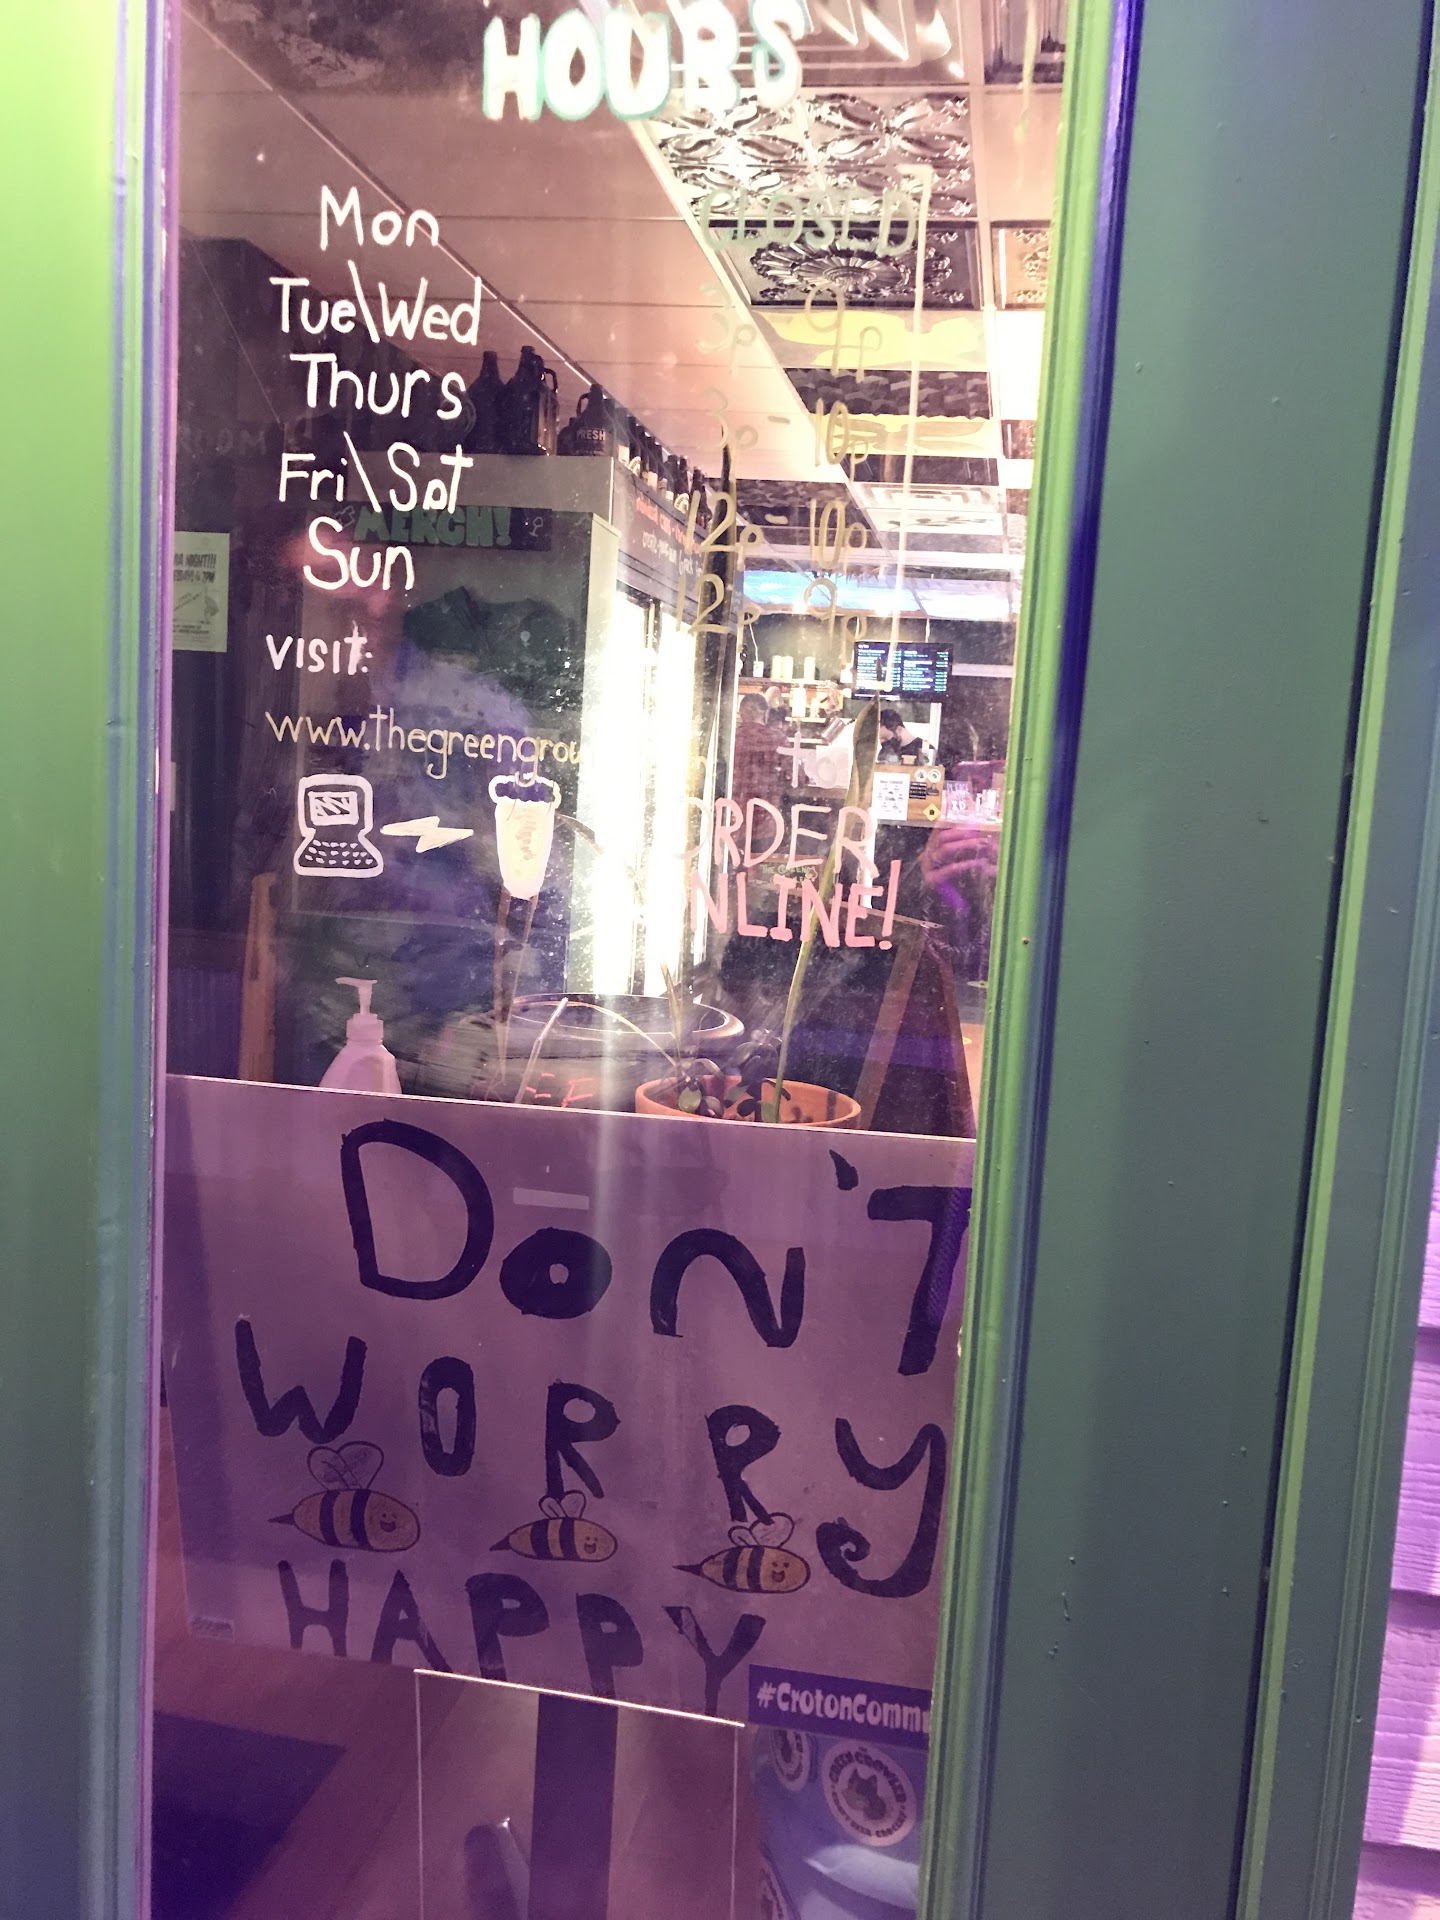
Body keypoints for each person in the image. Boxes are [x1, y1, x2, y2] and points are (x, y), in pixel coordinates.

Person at [730, 691, 789, 813]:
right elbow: (796, 776)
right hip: (767, 808)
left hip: (735, 809)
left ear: (740, 713)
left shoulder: (732, 737)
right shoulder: (778, 738)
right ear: (766, 713)